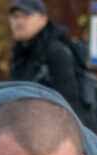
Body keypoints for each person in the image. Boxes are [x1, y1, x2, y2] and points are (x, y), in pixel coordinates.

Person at [8, 0, 86, 128]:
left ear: (43, 20)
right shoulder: (20, 52)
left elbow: (69, 105)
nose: (19, 22)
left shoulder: (56, 51)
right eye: (15, 16)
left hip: (56, 133)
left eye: (26, 15)